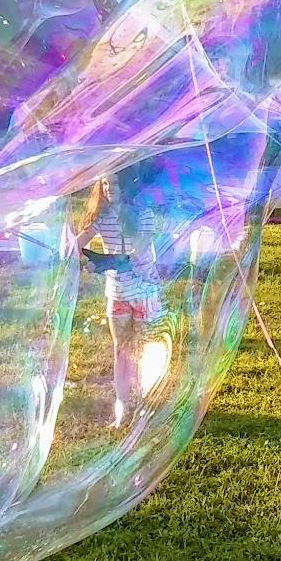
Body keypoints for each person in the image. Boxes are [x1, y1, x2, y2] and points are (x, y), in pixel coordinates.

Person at [76, 172, 161, 428]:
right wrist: (82, 256)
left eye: (113, 183)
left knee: (143, 348)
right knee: (121, 350)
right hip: (118, 293)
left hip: (144, 292)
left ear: (126, 183)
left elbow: (137, 252)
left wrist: (103, 262)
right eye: (103, 184)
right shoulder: (102, 218)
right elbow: (77, 245)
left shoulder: (144, 216)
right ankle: (123, 403)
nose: (108, 188)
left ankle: (145, 401)